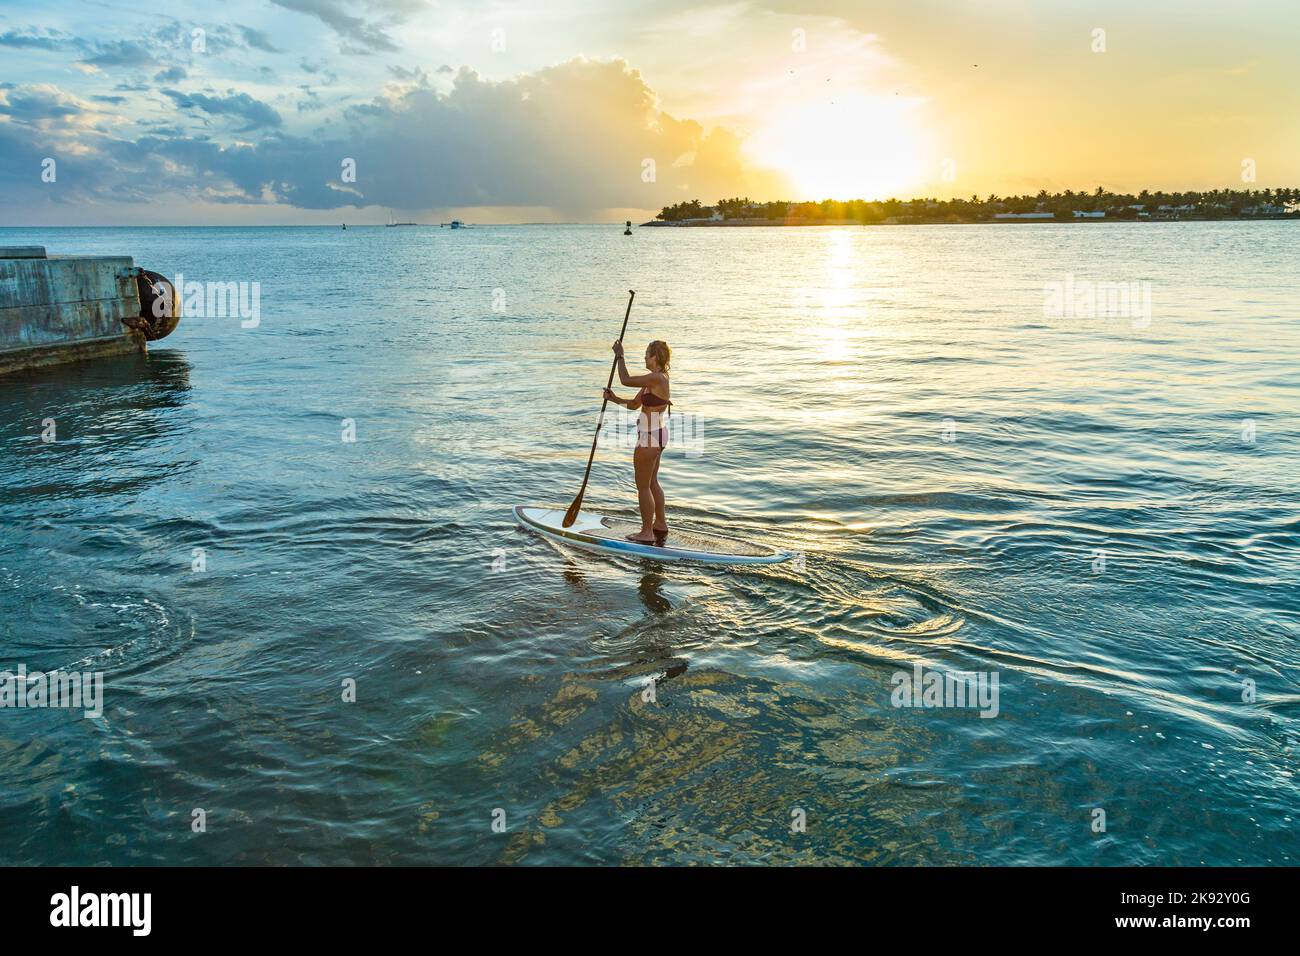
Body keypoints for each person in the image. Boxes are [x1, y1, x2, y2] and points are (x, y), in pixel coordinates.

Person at [604, 340, 672, 543]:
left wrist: (620, 355)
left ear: (655, 358)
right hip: (658, 434)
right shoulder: (654, 382)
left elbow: (625, 379)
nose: (644, 357)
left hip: (650, 437)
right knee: (651, 482)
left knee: (643, 486)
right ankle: (659, 524)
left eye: (647, 354)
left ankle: (646, 533)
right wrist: (614, 399)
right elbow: (634, 405)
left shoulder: (656, 378)